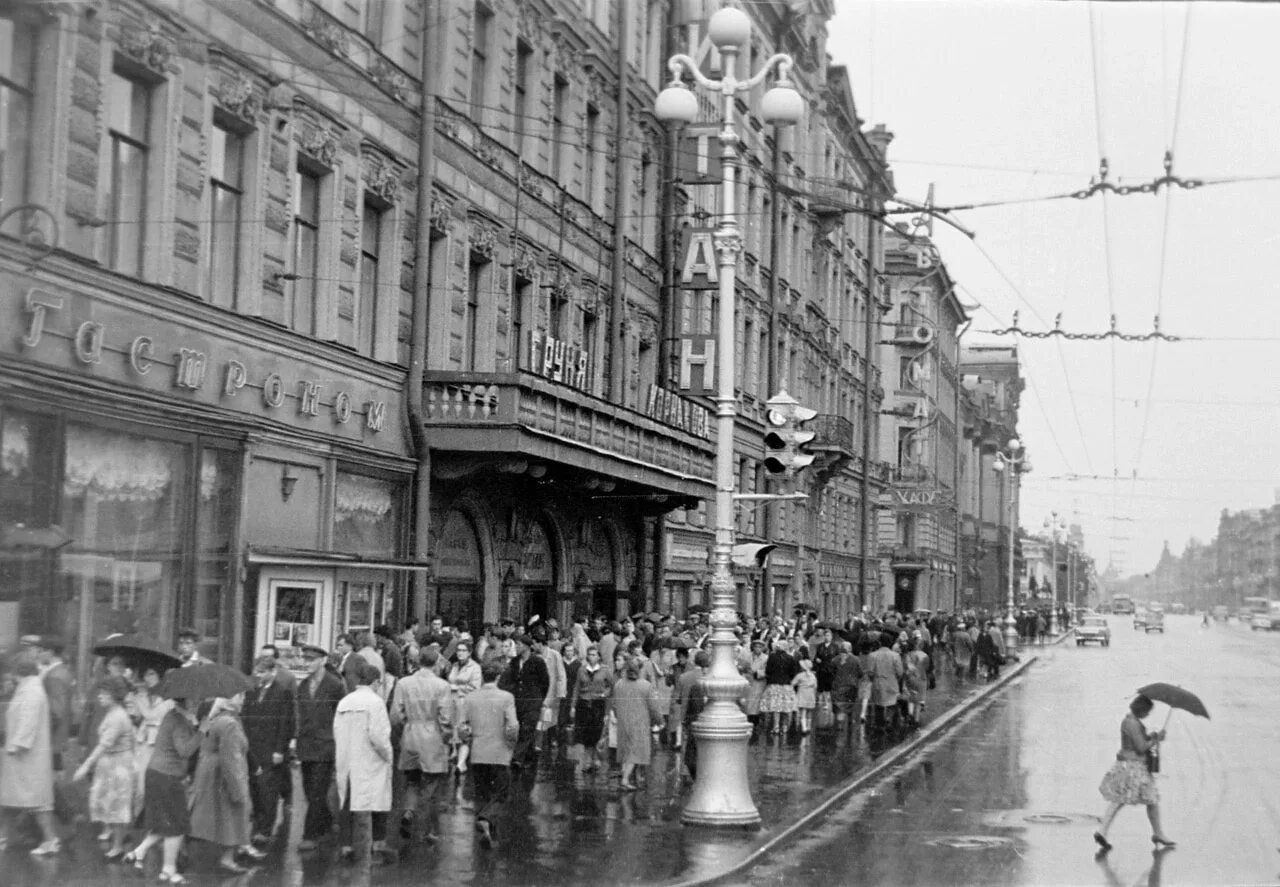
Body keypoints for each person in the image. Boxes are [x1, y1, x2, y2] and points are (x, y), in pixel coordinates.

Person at [125, 697, 202, 882]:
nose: (198, 703)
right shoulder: (179, 721)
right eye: (196, 700)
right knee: (177, 825)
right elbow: (184, 751)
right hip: (167, 776)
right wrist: (202, 732)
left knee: (164, 822)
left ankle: (139, 852)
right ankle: (168, 870)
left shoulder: (173, 716)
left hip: (158, 773)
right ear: (189, 702)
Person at [1094, 694, 1175, 852]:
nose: (1147, 715)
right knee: (1150, 799)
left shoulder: (1130, 721)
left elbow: (1140, 741)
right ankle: (1158, 833)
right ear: (1142, 709)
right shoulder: (1132, 723)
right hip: (1134, 767)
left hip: (1126, 765)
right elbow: (1140, 747)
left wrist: (1152, 736)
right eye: (1147, 712)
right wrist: (1156, 739)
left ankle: (1102, 831)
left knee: (1120, 800)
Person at [0, 652, 60, 856]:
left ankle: (50, 840)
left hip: (27, 757)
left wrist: (16, 745)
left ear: (19, 673)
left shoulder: (32, 692)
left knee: (37, 803)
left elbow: (28, 723)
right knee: (11, 799)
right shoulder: (29, 689)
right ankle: (3, 836)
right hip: (23, 757)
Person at [334, 658, 393, 865]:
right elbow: (378, 736)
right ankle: (376, 846)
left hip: (347, 759)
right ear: (376, 682)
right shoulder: (376, 703)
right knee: (378, 803)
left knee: (347, 801)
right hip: (370, 760)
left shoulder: (345, 701)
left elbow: (336, 730)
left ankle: (346, 846)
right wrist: (387, 755)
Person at [391, 648, 452, 844]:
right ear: (436, 664)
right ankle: (428, 830)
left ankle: (408, 812)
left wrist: (404, 731)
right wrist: (447, 737)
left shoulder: (404, 683)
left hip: (410, 734)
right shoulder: (442, 685)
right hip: (432, 736)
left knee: (411, 781)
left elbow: (395, 715)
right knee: (431, 786)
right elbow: (445, 717)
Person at [189, 693, 254, 875]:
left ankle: (182, 849)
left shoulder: (216, 718)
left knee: (203, 813)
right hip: (222, 775)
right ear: (228, 701)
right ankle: (227, 859)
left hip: (208, 772)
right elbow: (231, 757)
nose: (242, 700)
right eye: (239, 696)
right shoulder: (229, 723)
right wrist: (238, 787)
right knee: (233, 814)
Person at [74, 675, 136, 859]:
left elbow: (104, 744)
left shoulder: (117, 716)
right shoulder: (113, 712)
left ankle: (118, 846)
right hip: (113, 764)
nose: (99, 696)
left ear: (113, 695)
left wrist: (85, 766)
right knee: (114, 806)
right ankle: (118, 843)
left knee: (117, 806)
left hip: (117, 765)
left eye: (103, 693)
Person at [459, 660, 518, 848]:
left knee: (483, 792)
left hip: (478, 751)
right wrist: (511, 744)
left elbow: (462, 727)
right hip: (499, 752)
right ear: (498, 677)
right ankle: (486, 820)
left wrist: (468, 741)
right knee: (501, 792)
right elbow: (512, 725)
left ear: (483, 676)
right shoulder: (506, 697)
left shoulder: (470, 698)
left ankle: (490, 832)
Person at [295, 644, 344, 852]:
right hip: (306, 745)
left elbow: (341, 714)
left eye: (311, 660)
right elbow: (299, 715)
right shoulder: (303, 685)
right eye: (305, 659)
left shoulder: (334, 685)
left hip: (325, 746)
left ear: (322, 661)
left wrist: (339, 743)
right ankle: (327, 822)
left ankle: (310, 835)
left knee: (316, 791)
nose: (307, 663)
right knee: (309, 790)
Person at [242, 655, 295, 846]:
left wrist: (280, 750)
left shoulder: (282, 693)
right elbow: (245, 717)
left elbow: (285, 723)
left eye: (262, 672)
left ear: (273, 672)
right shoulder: (252, 691)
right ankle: (257, 822)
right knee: (254, 788)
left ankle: (265, 829)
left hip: (271, 749)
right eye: (257, 671)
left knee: (268, 791)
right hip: (252, 748)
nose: (258, 675)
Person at [127, 665, 173, 822]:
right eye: (145, 675)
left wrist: (138, 702)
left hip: (161, 744)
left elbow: (152, 715)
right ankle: (140, 820)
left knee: (157, 784)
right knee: (140, 785)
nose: (148, 678)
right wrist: (133, 710)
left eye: (152, 673)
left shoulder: (168, 698)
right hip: (143, 742)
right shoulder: (142, 696)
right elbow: (139, 718)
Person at [608, 659, 662, 791]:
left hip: (623, 722)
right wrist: (659, 720)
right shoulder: (645, 686)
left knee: (626, 750)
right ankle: (625, 779)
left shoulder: (619, 684)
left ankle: (626, 774)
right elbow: (653, 708)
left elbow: (614, 703)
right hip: (640, 723)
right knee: (635, 752)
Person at [499, 633, 549, 771]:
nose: (517, 647)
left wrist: (539, 699)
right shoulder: (515, 662)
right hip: (518, 701)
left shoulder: (538, 662)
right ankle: (530, 757)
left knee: (527, 728)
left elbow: (545, 682)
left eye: (519, 645)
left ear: (527, 646)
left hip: (532, 702)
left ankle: (517, 759)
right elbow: (509, 680)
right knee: (524, 729)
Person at [569, 645, 612, 774]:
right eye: (589, 654)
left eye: (594, 655)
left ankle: (596, 758)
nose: (591, 657)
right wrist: (573, 706)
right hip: (584, 703)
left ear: (598, 657)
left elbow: (611, 685)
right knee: (585, 733)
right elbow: (576, 688)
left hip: (598, 703)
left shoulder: (605, 670)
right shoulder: (581, 670)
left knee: (597, 731)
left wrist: (605, 693)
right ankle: (587, 760)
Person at [445, 639, 482, 774]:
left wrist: (456, 688)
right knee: (452, 729)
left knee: (464, 731)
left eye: (463, 651)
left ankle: (461, 763)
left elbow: (475, 687)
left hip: (465, 703)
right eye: (458, 650)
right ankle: (454, 753)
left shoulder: (475, 667)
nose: (460, 653)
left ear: (469, 652)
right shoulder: (454, 665)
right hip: (451, 703)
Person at [761, 639, 799, 737]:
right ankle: (785, 727)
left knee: (775, 707)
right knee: (786, 707)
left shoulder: (772, 657)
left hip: (774, 684)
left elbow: (768, 670)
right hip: (786, 684)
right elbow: (793, 672)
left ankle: (776, 727)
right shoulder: (790, 658)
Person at [791, 655, 818, 735]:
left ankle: (804, 727)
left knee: (803, 711)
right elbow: (815, 686)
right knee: (809, 711)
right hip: (810, 695)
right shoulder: (813, 676)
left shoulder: (799, 675)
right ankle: (809, 727)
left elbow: (792, 683)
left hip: (802, 694)